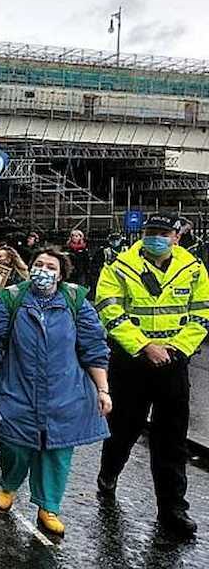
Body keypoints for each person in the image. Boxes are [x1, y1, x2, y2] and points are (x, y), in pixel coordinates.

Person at [0, 249, 112, 537]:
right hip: (17, 388)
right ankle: (9, 484)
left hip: (64, 392)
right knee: (15, 445)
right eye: (38, 264)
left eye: (51, 266)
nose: (43, 270)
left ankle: (48, 507)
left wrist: (103, 389)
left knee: (57, 452)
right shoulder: (10, 299)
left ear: (61, 274)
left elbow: (94, 348)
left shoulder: (76, 302)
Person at [94, 213, 209, 538]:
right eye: (150, 232)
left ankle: (173, 509)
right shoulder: (118, 266)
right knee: (123, 429)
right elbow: (109, 310)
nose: (156, 237)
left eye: (162, 232)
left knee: (171, 440)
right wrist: (145, 346)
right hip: (130, 362)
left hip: (174, 362)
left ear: (176, 236)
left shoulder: (193, 269)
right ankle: (109, 472)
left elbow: (202, 313)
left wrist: (178, 349)